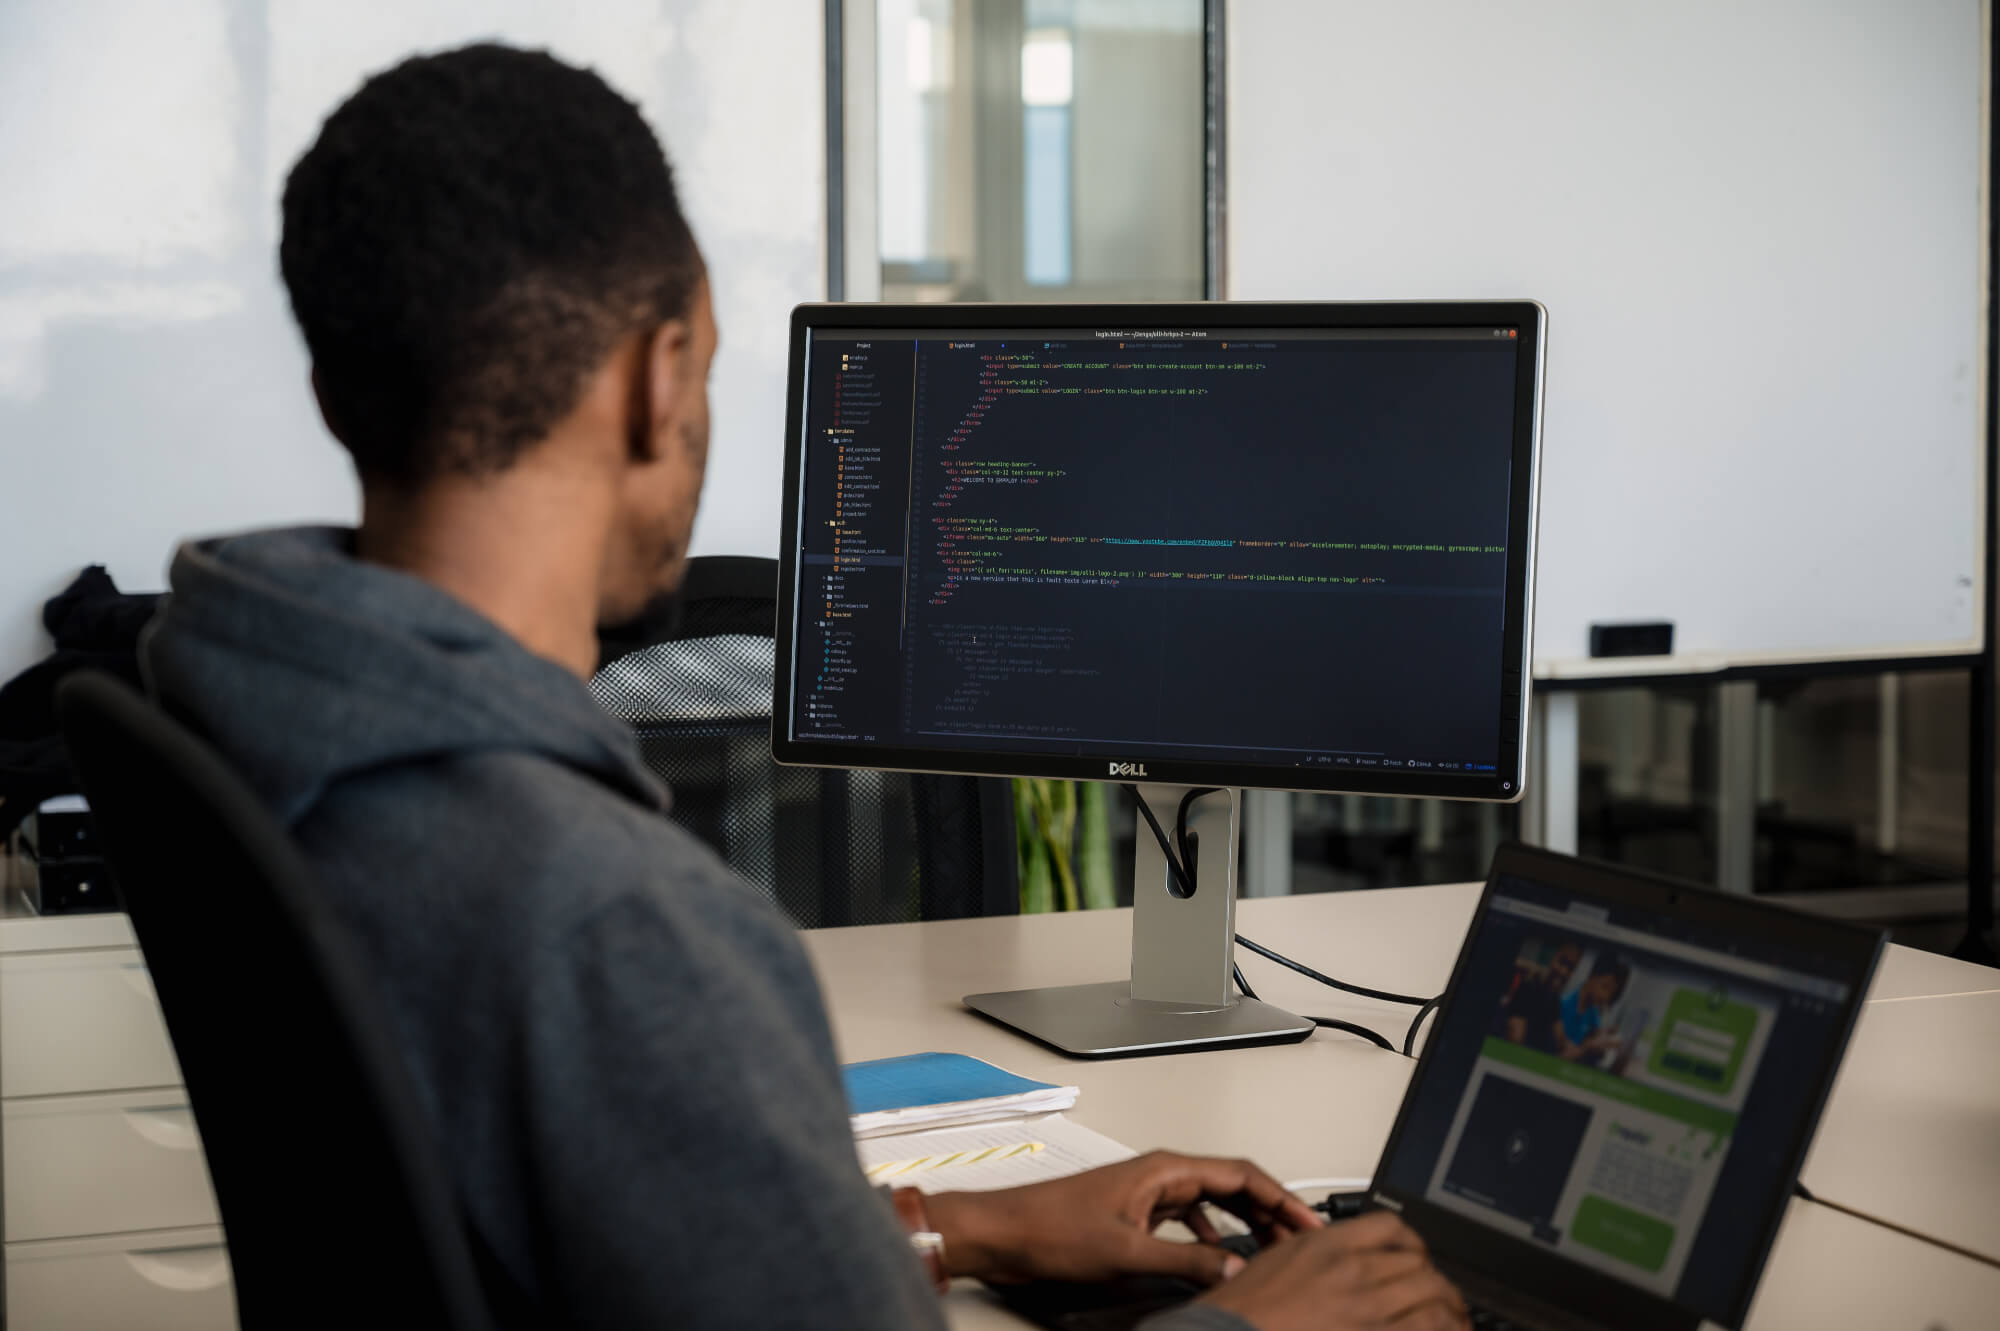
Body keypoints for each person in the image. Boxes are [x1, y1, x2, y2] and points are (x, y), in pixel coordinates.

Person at [140, 44, 1468, 1331]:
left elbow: (618, 1237)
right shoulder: (620, 921)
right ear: (659, 381)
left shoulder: (249, 706)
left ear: (333, 380)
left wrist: (968, 1226)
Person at [1500, 942, 1581, 1054]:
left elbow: (1561, 1040)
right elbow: (1515, 1038)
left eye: (1570, 968)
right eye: (1562, 962)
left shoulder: (1554, 998)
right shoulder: (1530, 986)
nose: (1563, 971)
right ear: (1553, 958)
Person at [1554, 957, 1631, 1063]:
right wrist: (1589, 1046)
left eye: (1611, 992)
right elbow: (1559, 1057)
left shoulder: (1592, 1009)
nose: (1606, 997)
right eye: (1605, 986)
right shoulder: (1562, 1006)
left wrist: (1607, 1036)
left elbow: (1596, 1032)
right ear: (1591, 977)